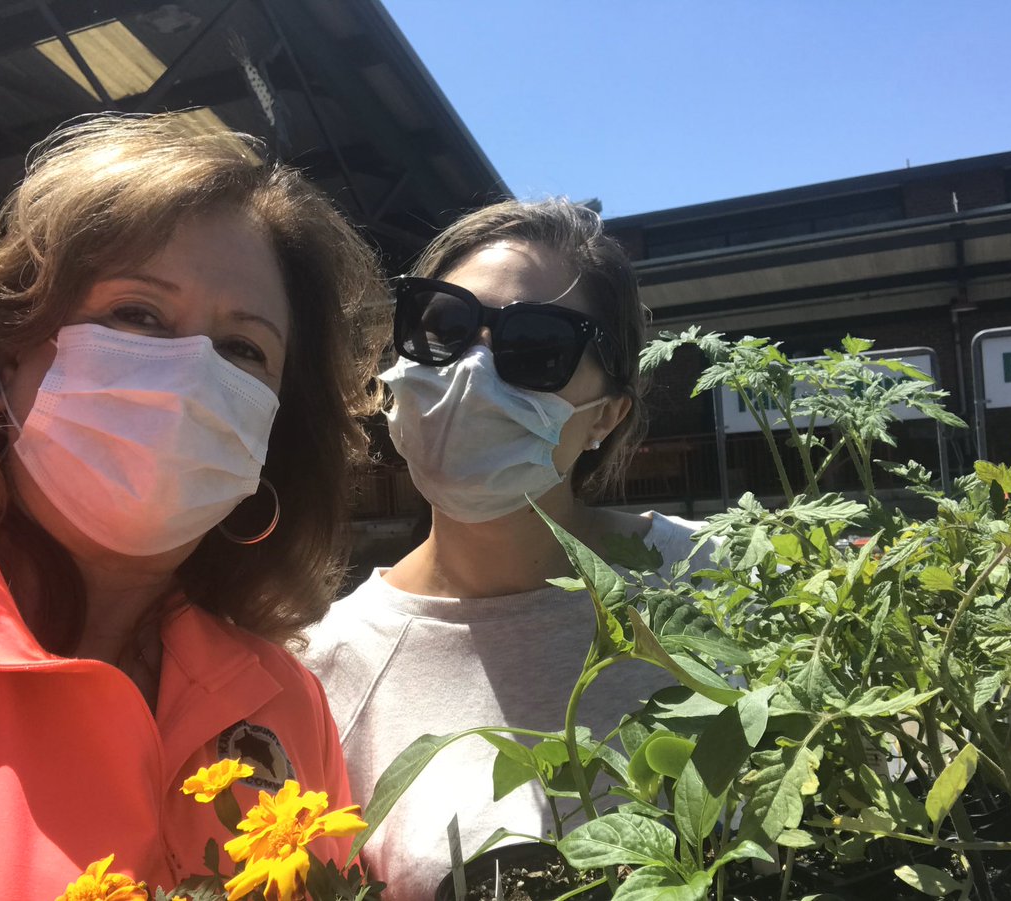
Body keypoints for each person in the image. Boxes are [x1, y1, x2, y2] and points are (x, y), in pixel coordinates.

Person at [0, 114, 385, 897]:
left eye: (244, 349)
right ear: (12, 342)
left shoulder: (286, 699)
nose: (189, 377)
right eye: (137, 314)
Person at [300, 199, 710, 898]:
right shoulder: (322, 666)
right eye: (445, 325)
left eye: (537, 349)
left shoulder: (710, 579)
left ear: (607, 415)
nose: (472, 372)